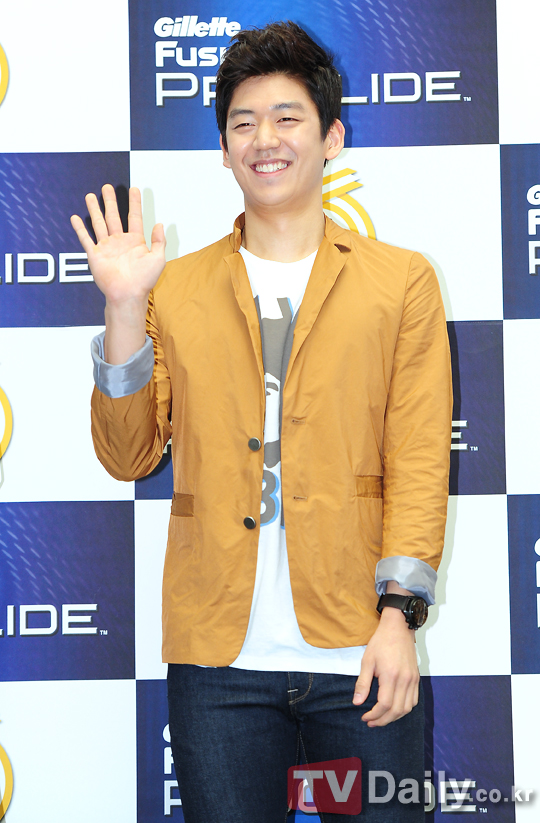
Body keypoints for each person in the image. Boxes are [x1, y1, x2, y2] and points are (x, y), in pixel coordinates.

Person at [71, 21, 451, 822]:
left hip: (360, 646)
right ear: (223, 149)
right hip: (219, 662)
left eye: (287, 118)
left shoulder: (401, 282)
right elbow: (128, 454)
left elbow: (419, 459)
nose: (265, 139)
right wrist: (125, 308)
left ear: (332, 136)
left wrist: (399, 618)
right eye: (243, 123)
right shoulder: (174, 288)